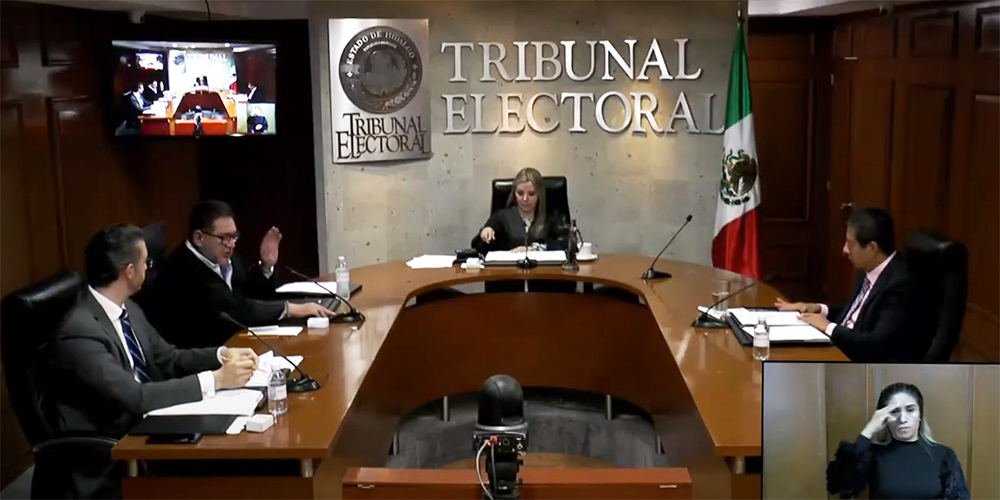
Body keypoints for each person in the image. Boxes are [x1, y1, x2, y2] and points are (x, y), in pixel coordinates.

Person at [43, 225, 259, 499]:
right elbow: (136, 397)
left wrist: (220, 355)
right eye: (146, 262)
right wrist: (216, 380)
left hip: (151, 423)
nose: (149, 268)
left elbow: (167, 357)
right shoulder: (80, 330)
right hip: (113, 449)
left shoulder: (127, 308)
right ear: (129, 271)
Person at [148, 200, 333, 348]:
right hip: (200, 357)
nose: (231, 244)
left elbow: (248, 293)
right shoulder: (182, 269)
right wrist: (289, 308)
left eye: (234, 236)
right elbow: (234, 309)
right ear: (199, 238)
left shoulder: (224, 256)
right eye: (223, 238)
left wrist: (265, 266)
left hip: (234, 343)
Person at [775, 208, 920, 362]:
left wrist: (828, 327)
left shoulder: (900, 284)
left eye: (850, 244)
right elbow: (855, 315)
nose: (844, 250)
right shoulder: (868, 268)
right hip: (841, 348)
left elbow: (877, 344)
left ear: (872, 248)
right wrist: (817, 309)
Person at [826, 382, 969, 499]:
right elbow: (840, 486)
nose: (903, 419)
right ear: (884, 418)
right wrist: (869, 430)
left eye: (910, 410)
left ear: (920, 414)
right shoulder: (874, 454)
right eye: (894, 412)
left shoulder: (943, 455)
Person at [472, 167, 564, 255]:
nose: (525, 199)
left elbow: (565, 244)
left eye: (531, 194)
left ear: (539, 195)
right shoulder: (502, 217)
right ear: (514, 193)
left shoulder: (552, 217)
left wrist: (532, 249)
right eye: (520, 193)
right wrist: (484, 234)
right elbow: (478, 247)